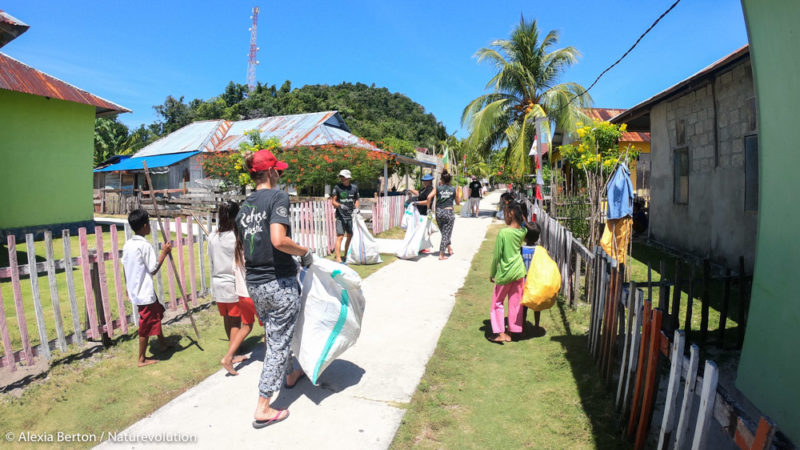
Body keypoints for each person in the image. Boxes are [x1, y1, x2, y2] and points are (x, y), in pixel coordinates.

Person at [235, 149, 314, 429]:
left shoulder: (244, 207)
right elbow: (279, 240)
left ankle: (290, 375)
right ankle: (263, 406)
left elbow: (247, 246)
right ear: (270, 172)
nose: (280, 175)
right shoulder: (278, 197)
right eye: (278, 171)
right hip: (279, 281)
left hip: (255, 283)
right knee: (278, 343)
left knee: (275, 334)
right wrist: (304, 252)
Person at [208, 201, 256, 376]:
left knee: (227, 317)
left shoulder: (213, 236)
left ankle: (233, 348)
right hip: (231, 281)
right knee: (236, 320)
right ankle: (232, 354)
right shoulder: (236, 236)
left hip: (217, 281)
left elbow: (211, 259)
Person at [121, 209, 172, 367]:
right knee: (146, 324)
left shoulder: (128, 244)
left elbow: (125, 267)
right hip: (144, 292)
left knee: (156, 313)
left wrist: (127, 287)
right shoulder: (145, 246)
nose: (150, 226)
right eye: (149, 224)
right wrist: (164, 252)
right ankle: (141, 359)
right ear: (144, 227)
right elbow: (153, 268)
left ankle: (162, 343)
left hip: (136, 289)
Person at [488, 201, 528, 343]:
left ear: (511, 214)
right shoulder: (523, 232)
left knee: (497, 302)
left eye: (505, 213)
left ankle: (500, 333)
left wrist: (493, 273)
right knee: (515, 302)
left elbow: (497, 256)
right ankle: (514, 330)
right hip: (519, 272)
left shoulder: (504, 233)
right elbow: (525, 225)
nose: (504, 216)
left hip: (505, 272)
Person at [331, 169, 360, 263]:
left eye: (343, 176)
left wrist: (356, 208)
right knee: (340, 236)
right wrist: (340, 205)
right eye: (340, 176)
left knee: (350, 235)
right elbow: (333, 201)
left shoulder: (354, 188)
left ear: (348, 178)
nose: (341, 178)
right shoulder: (337, 187)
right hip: (341, 216)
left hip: (351, 216)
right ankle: (338, 258)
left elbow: (357, 199)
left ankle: (347, 255)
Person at [520, 221, 542, 329]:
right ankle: (537, 325)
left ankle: (523, 326)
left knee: (524, 305)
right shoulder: (540, 250)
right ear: (538, 237)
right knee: (537, 305)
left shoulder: (521, 250)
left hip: (524, 281)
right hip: (536, 281)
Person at [435, 170, 459, 260]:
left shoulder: (438, 188)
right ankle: (441, 254)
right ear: (450, 180)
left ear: (442, 179)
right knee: (446, 234)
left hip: (439, 212)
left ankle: (449, 249)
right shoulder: (453, 189)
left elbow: (429, 197)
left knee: (444, 233)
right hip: (448, 212)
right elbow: (458, 202)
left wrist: (429, 208)